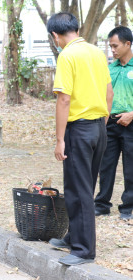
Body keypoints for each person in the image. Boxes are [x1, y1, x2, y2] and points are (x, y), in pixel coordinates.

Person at [46, 13, 113, 266]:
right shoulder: (96, 52)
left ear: (55, 35)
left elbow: (64, 99)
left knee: (78, 190)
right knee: (84, 186)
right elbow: (109, 91)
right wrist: (101, 124)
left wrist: (60, 139)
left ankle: (84, 250)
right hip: (99, 127)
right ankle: (73, 236)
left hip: (79, 130)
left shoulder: (67, 55)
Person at [94, 26, 133, 221]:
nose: (113, 50)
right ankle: (102, 205)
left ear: (128, 44)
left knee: (130, 168)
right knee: (105, 165)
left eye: (116, 46)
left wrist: (132, 114)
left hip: (131, 123)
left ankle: (128, 207)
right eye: (110, 47)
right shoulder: (109, 69)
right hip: (110, 123)